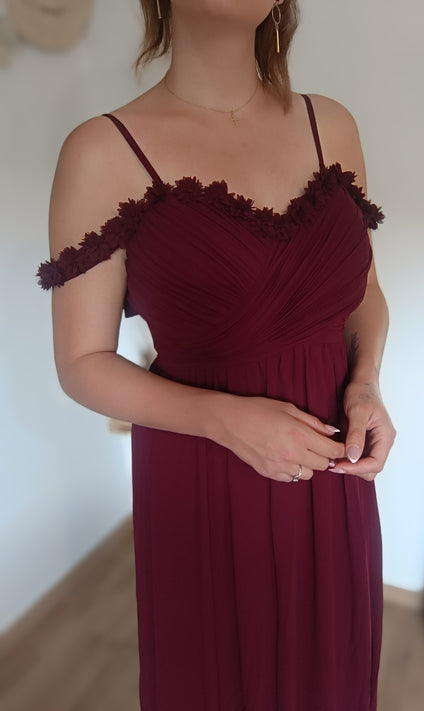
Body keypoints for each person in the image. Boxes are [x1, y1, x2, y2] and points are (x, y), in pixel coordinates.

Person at [37, 1, 396, 709]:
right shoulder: (103, 151)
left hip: (332, 472)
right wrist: (224, 420)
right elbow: (81, 361)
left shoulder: (331, 127)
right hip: (203, 478)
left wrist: (364, 382)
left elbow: (365, 291)